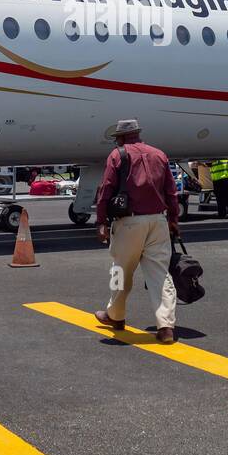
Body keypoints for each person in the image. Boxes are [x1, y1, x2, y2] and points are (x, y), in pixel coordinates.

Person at [93, 118, 180, 344]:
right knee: (160, 274)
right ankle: (166, 327)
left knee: (120, 272)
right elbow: (171, 191)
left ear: (121, 138)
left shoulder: (117, 155)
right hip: (158, 221)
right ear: (138, 134)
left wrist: (101, 222)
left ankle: (116, 316)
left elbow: (105, 191)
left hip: (129, 222)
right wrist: (173, 219)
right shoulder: (159, 154)